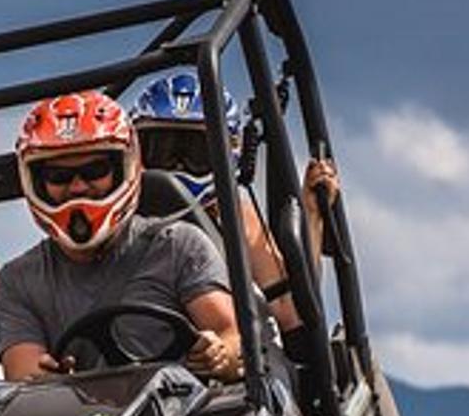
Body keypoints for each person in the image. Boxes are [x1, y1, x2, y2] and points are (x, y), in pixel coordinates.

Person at [0, 89, 244, 385]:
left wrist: (219, 354)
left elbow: (232, 335)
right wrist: (44, 379)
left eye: (94, 170)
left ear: (123, 168)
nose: (77, 188)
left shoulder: (178, 245)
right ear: (34, 181)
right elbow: (24, 372)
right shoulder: (18, 279)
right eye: (59, 176)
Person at [129, 69, 341, 337]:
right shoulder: (114, 221)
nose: (178, 168)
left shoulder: (239, 221)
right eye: (163, 151)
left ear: (227, 154)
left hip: (240, 366)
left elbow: (293, 314)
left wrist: (312, 215)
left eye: (195, 152)